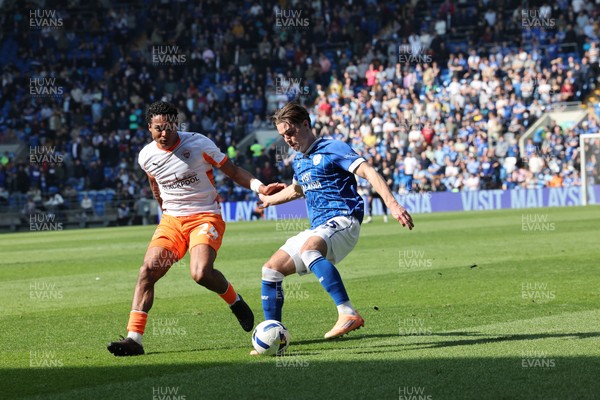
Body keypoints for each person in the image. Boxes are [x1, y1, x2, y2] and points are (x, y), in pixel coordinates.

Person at [107, 101, 284, 356]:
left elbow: (232, 170)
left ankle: (235, 301)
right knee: (147, 271)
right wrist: (165, 212)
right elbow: (155, 186)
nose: (164, 133)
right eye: (158, 128)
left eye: (169, 127)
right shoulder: (146, 156)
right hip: (171, 221)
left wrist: (260, 187)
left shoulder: (199, 144)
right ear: (149, 128)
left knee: (200, 273)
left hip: (205, 217)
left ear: (176, 124)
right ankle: (134, 339)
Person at [253, 102, 414, 352]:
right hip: (320, 227)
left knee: (309, 249)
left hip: (344, 219)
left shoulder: (333, 148)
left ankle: (347, 312)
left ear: (306, 124)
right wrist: (268, 200)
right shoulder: (300, 161)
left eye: (291, 132)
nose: (287, 139)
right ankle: (273, 335)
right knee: (271, 270)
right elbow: (297, 190)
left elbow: (369, 172)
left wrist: (393, 205)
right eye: (283, 135)